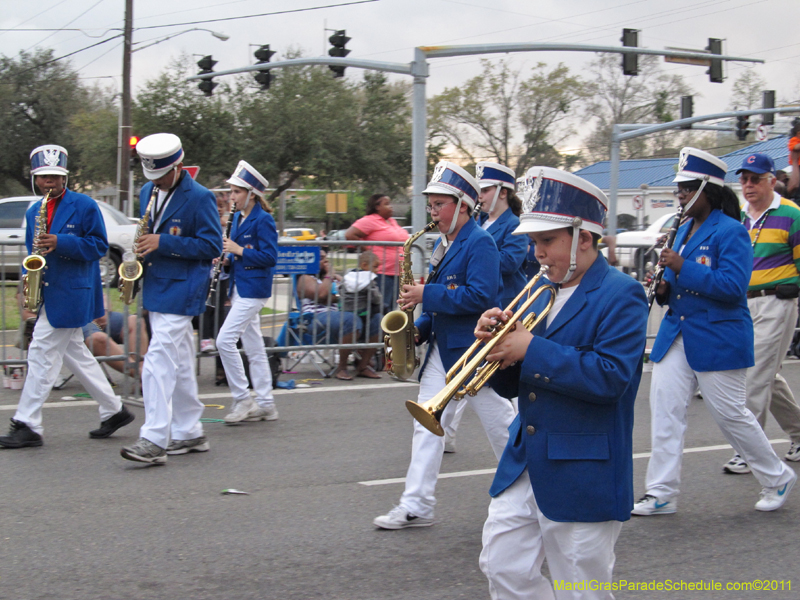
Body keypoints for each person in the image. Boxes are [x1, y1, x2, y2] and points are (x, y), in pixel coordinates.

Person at [475, 166, 647, 599]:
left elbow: (610, 377)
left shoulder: (622, 293)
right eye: (534, 242)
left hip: (583, 465)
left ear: (583, 238)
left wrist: (530, 348)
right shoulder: (540, 289)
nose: (537, 253)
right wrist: (498, 350)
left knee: (581, 587)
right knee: (502, 566)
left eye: (547, 241)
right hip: (526, 459)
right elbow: (515, 386)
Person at [632, 148, 796, 517]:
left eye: (688, 189)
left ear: (708, 190)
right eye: (679, 189)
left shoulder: (732, 231)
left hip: (718, 335)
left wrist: (681, 266)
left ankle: (777, 476)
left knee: (731, 415)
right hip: (677, 332)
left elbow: (733, 287)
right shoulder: (681, 230)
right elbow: (677, 289)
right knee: (665, 409)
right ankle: (661, 492)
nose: (681, 196)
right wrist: (662, 286)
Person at [373, 161, 513, 530]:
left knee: (502, 427)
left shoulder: (481, 243)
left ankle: (535, 491)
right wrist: (418, 328)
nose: (432, 212)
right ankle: (416, 505)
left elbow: (481, 297)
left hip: (474, 352)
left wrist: (426, 294)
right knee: (425, 426)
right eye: (431, 205)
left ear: (463, 205)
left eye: (439, 205)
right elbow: (439, 307)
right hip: (442, 350)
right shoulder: (444, 243)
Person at [0, 145, 134, 449]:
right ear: (35, 178)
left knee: (40, 353)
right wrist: (28, 285)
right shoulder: (33, 211)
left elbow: (99, 246)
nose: (49, 181)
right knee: (77, 355)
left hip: (73, 292)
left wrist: (60, 241)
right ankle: (115, 410)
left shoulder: (84, 205)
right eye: (43, 176)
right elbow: (32, 255)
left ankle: (27, 423)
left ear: (65, 177)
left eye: (55, 176)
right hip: (48, 292)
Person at [120, 133, 222, 464]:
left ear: (178, 167)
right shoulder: (147, 191)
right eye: (151, 175)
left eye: (162, 175)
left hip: (184, 287)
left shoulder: (201, 197)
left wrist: (162, 242)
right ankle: (189, 432)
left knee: (157, 360)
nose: (157, 181)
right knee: (179, 363)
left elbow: (212, 246)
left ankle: (153, 439)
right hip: (157, 285)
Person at [722, 152, 800, 473]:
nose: (748, 185)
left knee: (753, 376)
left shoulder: (792, 214)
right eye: (744, 179)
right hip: (743, 303)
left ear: (771, 180)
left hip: (777, 302)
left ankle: (749, 450)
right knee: (767, 376)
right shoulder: (738, 217)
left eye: (755, 179)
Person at [443, 161, 527, 453]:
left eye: (486, 190)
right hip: (480, 311)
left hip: (506, 308)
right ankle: (445, 432)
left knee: (497, 379)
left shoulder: (514, 224)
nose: (480, 196)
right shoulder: (479, 222)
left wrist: (474, 257)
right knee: (464, 372)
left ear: (503, 192)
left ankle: (518, 438)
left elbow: (509, 262)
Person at [215, 161, 279, 425]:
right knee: (254, 348)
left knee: (224, 341)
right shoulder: (239, 219)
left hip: (254, 289)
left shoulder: (263, 220)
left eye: (237, 192)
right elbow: (237, 255)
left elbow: (270, 257)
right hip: (240, 287)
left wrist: (238, 250)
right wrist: (226, 259)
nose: (231, 197)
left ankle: (242, 398)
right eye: (231, 192)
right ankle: (266, 404)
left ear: (252, 194)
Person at [296, 250, 363, 380]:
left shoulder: (330, 279)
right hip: (314, 319)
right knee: (351, 320)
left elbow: (350, 292)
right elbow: (321, 295)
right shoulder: (305, 278)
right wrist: (329, 276)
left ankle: (363, 365)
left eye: (326, 258)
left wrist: (337, 284)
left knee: (375, 319)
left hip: (336, 317)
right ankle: (342, 367)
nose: (326, 261)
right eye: (321, 258)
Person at [345, 194, 409, 314]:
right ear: (377, 206)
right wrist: (368, 251)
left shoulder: (392, 221)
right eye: (387, 204)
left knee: (390, 309)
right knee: (380, 308)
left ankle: (385, 327)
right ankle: (377, 327)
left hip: (397, 273)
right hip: (381, 272)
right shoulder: (369, 220)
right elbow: (349, 234)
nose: (391, 207)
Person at [339, 250, 383, 379]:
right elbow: (377, 299)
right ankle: (343, 367)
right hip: (359, 315)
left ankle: (362, 367)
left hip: (347, 312)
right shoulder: (368, 280)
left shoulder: (348, 277)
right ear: (364, 265)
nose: (377, 270)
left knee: (378, 321)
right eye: (375, 266)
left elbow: (340, 291)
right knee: (360, 320)